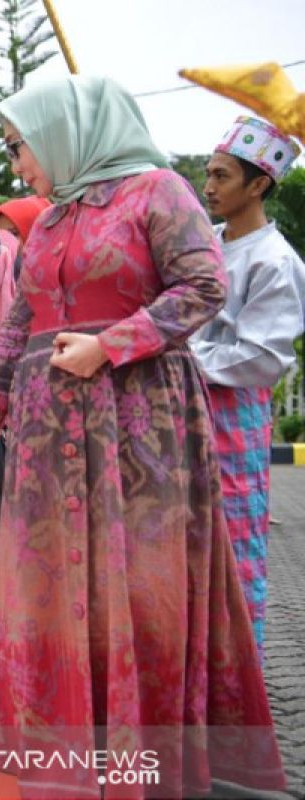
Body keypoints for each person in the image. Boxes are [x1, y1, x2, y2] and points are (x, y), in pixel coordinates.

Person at [0, 75, 284, 796]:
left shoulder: (158, 190)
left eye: (20, 147)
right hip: (47, 427)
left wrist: (112, 344)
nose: (18, 165)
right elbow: (18, 324)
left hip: (138, 420)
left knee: (139, 583)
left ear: (70, 131)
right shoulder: (49, 219)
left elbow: (204, 286)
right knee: (50, 585)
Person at [191, 115, 305, 655]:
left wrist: (176, 348)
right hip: (181, 413)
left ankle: (237, 685)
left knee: (233, 548)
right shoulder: (204, 244)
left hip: (233, 420)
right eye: (208, 174)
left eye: (222, 176)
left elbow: (261, 361)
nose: (208, 187)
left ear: (259, 184)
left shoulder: (275, 261)